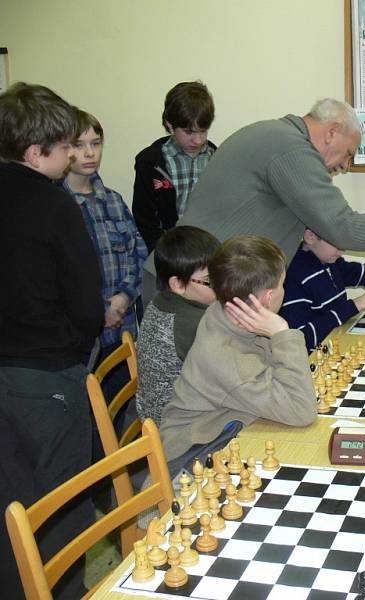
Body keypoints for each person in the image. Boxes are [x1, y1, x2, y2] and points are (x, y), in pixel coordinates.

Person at [0, 83, 104, 599]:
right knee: (62, 505)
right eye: (65, 148)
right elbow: (87, 301)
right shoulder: (55, 204)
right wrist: (73, 349)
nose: (71, 158)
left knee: (10, 504)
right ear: (35, 151)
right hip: (46, 377)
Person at [172, 98, 365, 266]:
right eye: (348, 154)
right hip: (191, 287)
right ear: (332, 132)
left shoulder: (275, 135)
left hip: (200, 279)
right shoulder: (290, 148)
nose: (344, 167)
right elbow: (341, 226)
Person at [158, 235, 317, 472]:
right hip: (191, 459)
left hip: (224, 426)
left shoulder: (226, 310)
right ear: (268, 298)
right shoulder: (229, 359)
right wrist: (282, 333)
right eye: (282, 283)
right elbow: (301, 410)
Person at [61, 110, 147, 388]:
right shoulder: (57, 205)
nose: (89, 153)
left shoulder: (112, 200)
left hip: (122, 330)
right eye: (78, 144)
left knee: (121, 413)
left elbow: (138, 254)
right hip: (81, 338)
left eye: (95, 143)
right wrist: (100, 309)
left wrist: (123, 299)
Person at [282, 228, 365, 352]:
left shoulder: (330, 263)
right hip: (314, 362)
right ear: (310, 236)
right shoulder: (293, 276)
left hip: (337, 342)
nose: (341, 251)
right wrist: (353, 306)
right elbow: (300, 339)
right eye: (337, 244)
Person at [136, 226, 220, 426]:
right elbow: (235, 375)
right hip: (179, 433)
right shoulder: (191, 323)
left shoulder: (162, 301)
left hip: (158, 420)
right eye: (210, 281)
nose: (221, 285)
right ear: (177, 284)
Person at [133, 81, 216, 253]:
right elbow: (145, 218)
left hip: (209, 250)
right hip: (169, 252)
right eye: (189, 132)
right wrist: (161, 253)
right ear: (170, 124)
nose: (198, 140)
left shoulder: (216, 157)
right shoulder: (150, 162)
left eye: (203, 131)